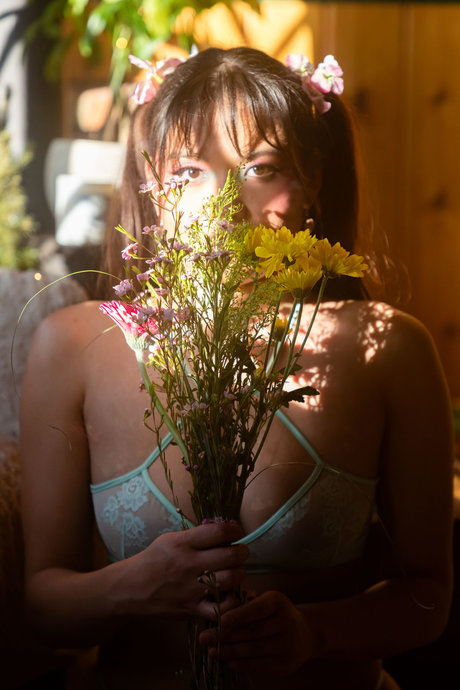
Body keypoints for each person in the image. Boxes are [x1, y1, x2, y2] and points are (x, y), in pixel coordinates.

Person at [20, 47, 453, 690]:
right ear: (154, 190)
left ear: (313, 180)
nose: (224, 202)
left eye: (260, 168)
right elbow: (41, 607)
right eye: (189, 171)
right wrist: (131, 586)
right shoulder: (73, 344)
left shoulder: (388, 346)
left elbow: (429, 596)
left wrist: (315, 633)